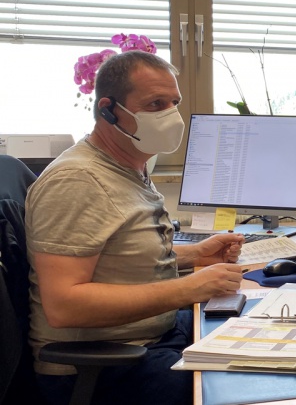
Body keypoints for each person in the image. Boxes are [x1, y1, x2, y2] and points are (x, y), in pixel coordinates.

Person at [25, 51, 245, 405]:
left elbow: (120, 257)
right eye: (155, 104)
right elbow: (64, 304)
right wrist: (189, 287)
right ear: (108, 110)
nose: (170, 116)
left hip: (150, 339)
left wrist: (195, 254)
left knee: (252, 332)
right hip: (103, 367)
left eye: (174, 103)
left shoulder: (127, 166)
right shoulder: (78, 180)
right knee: (238, 389)